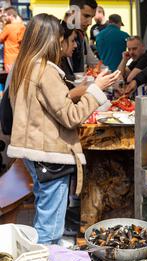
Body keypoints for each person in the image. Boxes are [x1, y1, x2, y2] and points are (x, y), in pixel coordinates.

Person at [7, 13, 120, 244]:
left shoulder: (26, 67)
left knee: (46, 215)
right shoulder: (44, 70)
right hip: (50, 154)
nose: (69, 43)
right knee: (50, 228)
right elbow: (71, 116)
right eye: (62, 38)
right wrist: (96, 90)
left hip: (36, 152)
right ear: (52, 40)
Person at [68, 0, 99, 72]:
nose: (90, 22)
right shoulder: (56, 36)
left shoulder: (82, 37)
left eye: (92, 17)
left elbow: (93, 62)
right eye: (86, 16)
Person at [0, 7, 25, 73]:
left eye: (6, 15)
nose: (5, 17)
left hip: (9, 59)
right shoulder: (22, 26)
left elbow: (0, 39)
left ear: (11, 16)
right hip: (19, 58)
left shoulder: (8, 27)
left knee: (9, 80)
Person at [59, 20, 78, 84]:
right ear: (61, 41)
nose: (75, 45)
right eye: (72, 41)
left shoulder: (62, 60)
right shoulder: (50, 68)